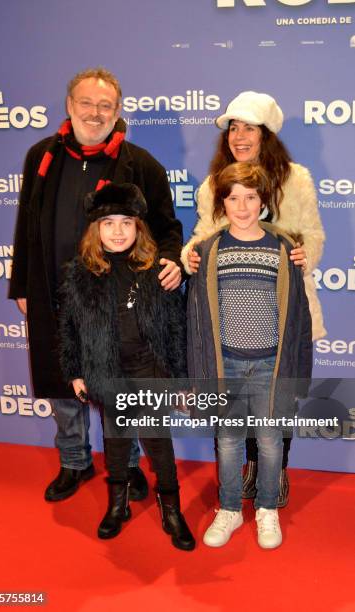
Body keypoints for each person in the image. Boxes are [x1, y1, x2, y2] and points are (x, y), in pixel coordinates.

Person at [9, 67, 183, 503]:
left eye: (106, 105)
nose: (95, 112)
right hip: (53, 292)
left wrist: (171, 262)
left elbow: (166, 227)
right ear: (70, 106)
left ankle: (123, 468)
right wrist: (22, 287)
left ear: (118, 111)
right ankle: (74, 461)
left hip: (114, 300)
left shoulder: (139, 163)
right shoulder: (40, 157)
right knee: (64, 382)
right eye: (86, 103)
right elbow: (27, 226)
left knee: (116, 384)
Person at [181, 91, 325, 507]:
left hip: (282, 309)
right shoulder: (214, 184)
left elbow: (312, 234)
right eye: (233, 127)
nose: (239, 136)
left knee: (276, 407)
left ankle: (274, 472)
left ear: (266, 134)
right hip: (231, 312)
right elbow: (204, 233)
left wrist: (304, 254)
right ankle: (247, 471)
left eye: (249, 127)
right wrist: (189, 256)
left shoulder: (295, 179)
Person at [58, 182, 195, 551]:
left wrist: (181, 380)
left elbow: (176, 327)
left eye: (126, 223)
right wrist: (74, 371)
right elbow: (69, 328)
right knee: (116, 443)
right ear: (95, 230)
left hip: (150, 369)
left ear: (139, 228)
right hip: (108, 371)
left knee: (158, 443)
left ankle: (172, 510)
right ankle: (117, 506)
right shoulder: (80, 274)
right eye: (108, 223)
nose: (117, 231)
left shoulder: (157, 271)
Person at [187, 162, 312, 549]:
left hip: (270, 366)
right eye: (233, 198)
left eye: (251, 197)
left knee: (271, 441)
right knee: (227, 440)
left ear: (264, 200)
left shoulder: (285, 249)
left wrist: (297, 372)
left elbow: (298, 317)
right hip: (226, 364)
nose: (242, 206)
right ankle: (228, 509)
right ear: (222, 203)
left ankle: (267, 508)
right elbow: (195, 319)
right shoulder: (208, 251)